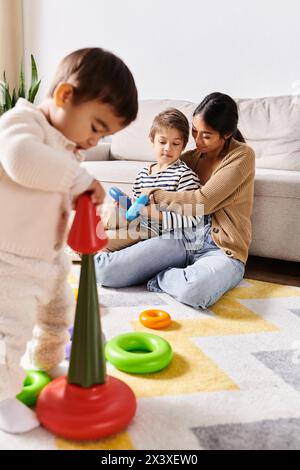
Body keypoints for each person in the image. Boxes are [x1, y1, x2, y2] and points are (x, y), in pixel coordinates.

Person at [0, 47, 138, 434]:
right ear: (64, 96)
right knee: (10, 329)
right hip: (8, 259)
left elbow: (52, 194)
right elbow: (21, 160)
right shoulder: (21, 122)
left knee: (59, 317)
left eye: (104, 135)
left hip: (49, 257)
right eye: (96, 127)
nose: (94, 140)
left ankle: (44, 365)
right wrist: (78, 179)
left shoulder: (64, 146)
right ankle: (2, 398)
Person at [95, 92, 255, 311]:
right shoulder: (192, 157)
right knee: (105, 271)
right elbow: (163, 167)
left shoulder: (242, 156)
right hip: (181, 235)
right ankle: (167, 269)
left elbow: (203, 201)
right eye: (195, 132)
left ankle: (161, 277)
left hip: (221, 249)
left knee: (196, 291)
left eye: (206, 136)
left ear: (226, 134)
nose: (197, 141)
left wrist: (156, 194)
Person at [103, 107, 203, 252]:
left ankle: (90, 249)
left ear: (183, 146)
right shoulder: (143, 174)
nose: (168, 148)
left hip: (158, 233)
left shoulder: (184, 175)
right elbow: (135, 208)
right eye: (162, 142)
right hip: (136, 224)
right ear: (152, 141)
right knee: (109, 210)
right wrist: (125, 202)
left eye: (175, 144)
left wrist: (153, 213)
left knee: (103, 240)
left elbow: (193, 220)